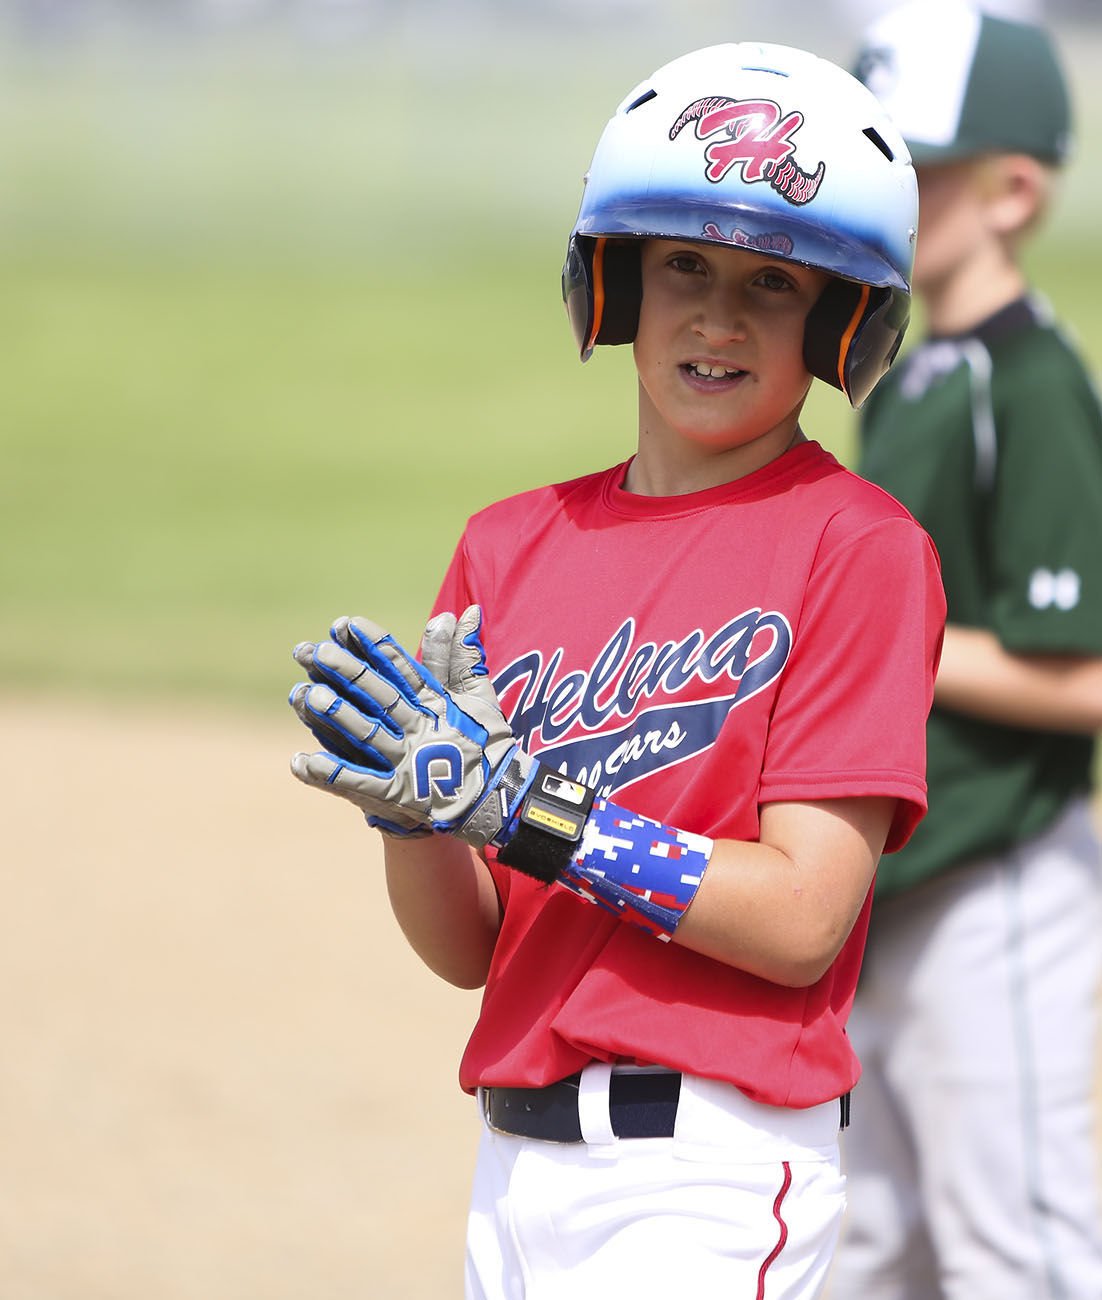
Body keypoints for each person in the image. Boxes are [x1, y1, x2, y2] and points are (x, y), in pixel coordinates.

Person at [286, 42, 944, 1300]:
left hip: (706, 1172)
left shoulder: (858, 549)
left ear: (839, 318)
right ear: (615, 280)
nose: (716, 315)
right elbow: (471, 948)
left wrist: (523, 810)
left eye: (772, 280)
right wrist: (410, 818)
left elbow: (805, 920)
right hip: (514, 1168)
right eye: (682, 262)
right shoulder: (508, 542)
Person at [827, 5, 1102, 1299]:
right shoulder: (915, 374)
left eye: (918, 167)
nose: (887, 193)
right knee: (872, 1249)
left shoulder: (1029, 383)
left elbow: (1086, 672)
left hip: (995, 880)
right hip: (891, 881)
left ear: (1010, 190)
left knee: (1017, 1248)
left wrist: (893, 649)